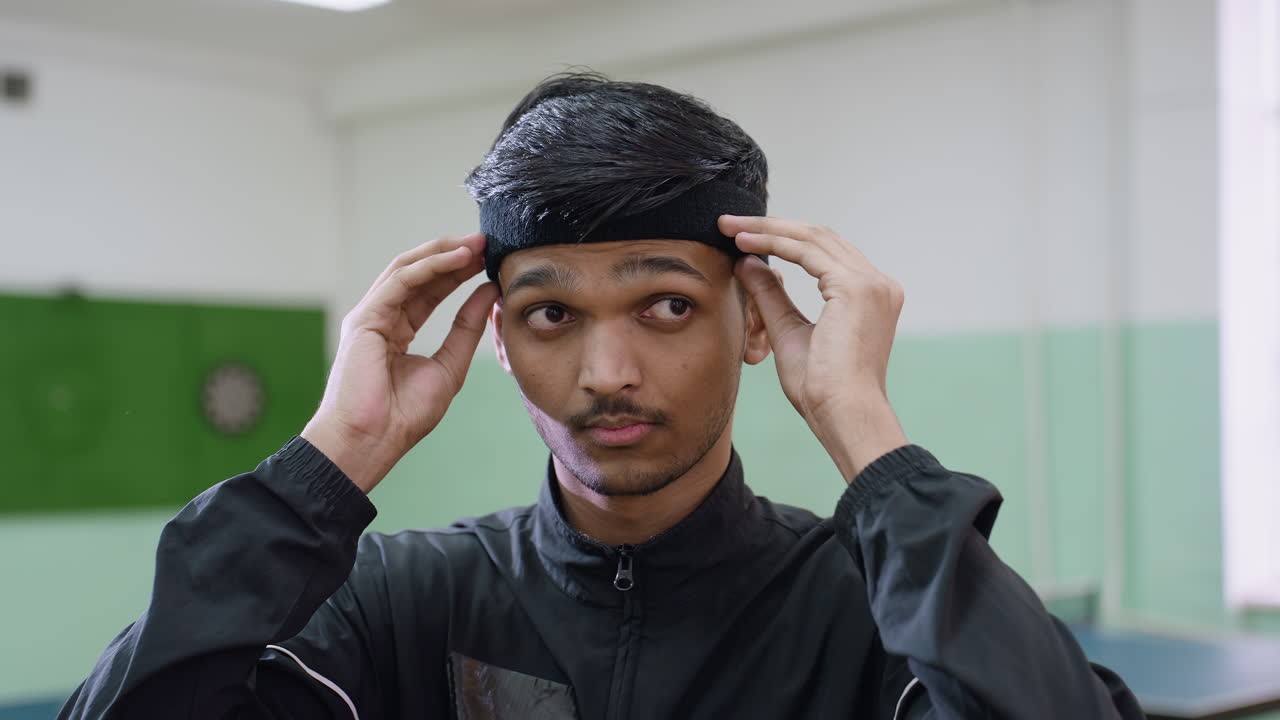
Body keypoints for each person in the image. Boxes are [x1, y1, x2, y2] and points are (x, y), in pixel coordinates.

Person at [60, 72, 1142, 720]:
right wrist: (329, 460)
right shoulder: (395, 603)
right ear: (494, 341)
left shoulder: (871, 615)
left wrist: (867, 438)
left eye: (665, 307)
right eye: (549, 315)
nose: (607, 374)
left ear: (756, 322)